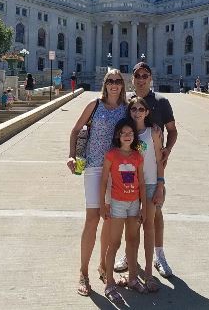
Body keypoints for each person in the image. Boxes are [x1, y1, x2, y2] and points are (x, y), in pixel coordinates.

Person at [67, 69, 127, 297]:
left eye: (118, 81)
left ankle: (103, 267)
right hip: (93, 167)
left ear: (122, 85)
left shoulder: (126, 108)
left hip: (117, 171)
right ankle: (83, 272)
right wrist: (72, 155)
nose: (114, 84)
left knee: (109, 219)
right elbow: (75, 131)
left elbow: (136, 134)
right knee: (92, 219)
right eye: (110, 81)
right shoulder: (94, 105)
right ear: (105, 84)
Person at [115, 62, 177, 278]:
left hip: (153, 171)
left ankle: (159, 255)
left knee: (155, 214)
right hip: (130, 174)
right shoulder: (127, 104)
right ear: (132, 78)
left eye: (145, 75)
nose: (141, 79)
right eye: (137, 75)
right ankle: (127, 253)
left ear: (150, 78)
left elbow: (172, 130)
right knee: (130, 216)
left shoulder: (162, 102)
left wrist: (167, 149)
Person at [100, 118, 147, 303]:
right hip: (117, 203)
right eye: (123, 133)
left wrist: (142, 206)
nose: (127, 136)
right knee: (115, 243)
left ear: (134, 136)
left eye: (130, 133)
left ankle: (133, 278)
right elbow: (104, 180)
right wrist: (104, 203)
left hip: (134, 203)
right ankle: (109, 282)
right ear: (118, 136)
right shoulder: (112, 155)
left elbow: (141, 182)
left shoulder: (137, 156)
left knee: (133, 241)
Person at [128, 97, 164, 291]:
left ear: (147, 112)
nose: (137, 112)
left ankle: (149, 273)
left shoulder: (154, 132)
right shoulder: (125, 132)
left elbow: (159, 161)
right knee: (132, 230)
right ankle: (133, 273)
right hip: (131, 186)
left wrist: (160, 184)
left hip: (150, 184)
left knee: (148, 226)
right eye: (134, 109)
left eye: (141, 109)